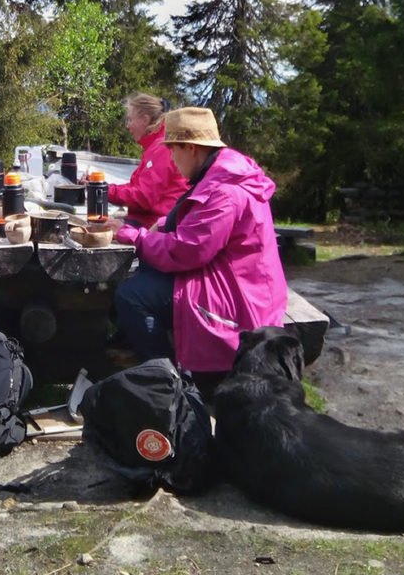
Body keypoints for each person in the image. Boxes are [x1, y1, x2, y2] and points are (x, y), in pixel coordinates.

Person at [113, 106, 287, 395]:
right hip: (244, 282)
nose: (170, 157)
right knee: (144, 273)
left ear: (191, 148)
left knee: (131, 295)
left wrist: (136, 237)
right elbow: (198, 226)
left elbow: (187, 251)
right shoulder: (222, 174)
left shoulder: (225, 190)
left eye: (173, 149)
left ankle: (170, 383)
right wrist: (160, 225)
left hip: (240, 300)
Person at [98, 93, 188, 229]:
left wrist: (103, 190)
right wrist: (104, 187)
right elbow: (139, 189)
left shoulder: (162, 148)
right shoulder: (156, 146)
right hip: (152, 222)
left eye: (130, 120)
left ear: (145, 120)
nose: (128, 126)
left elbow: (143, 197)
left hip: (155, 227)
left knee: (97, 229)